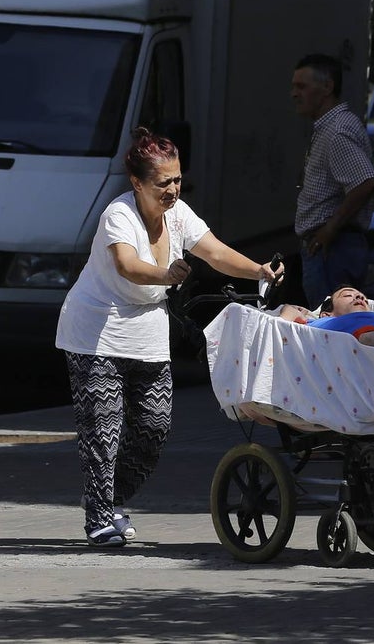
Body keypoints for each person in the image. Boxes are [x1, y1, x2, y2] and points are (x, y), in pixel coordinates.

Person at [55, 127, 283, 547]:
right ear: (138, 183)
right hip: (95, 331)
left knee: (154, 428)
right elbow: (127, 266)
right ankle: (100, 519)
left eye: (177, 179)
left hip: (146, 331)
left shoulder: (179, 214)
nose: (173, 189)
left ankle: (112, 498)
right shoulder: (118, 215)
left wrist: (259, 270)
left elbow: (213, 251)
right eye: (164, 182)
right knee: (102, 430)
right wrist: (165, 275)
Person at [291, 53, 374, 307]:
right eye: (293, 86)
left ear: (328, 87)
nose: (294, 94)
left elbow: (367, 180)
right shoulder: (330, 126)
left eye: (302, 86)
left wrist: (330, 229)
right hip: (330, 248)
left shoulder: (337, 130)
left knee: (331, 331)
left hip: (334, 250)